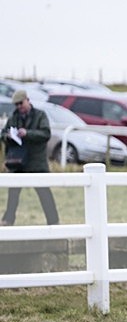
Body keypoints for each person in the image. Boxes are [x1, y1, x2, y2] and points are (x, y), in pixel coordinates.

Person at [1, 90, 59, 226]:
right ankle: (8, 220)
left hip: (36, 162)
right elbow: (3, 133)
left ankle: (53, 221)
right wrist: (8, 136)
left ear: (27, 100)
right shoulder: (13, 117)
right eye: (16, 104)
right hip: (17, 162)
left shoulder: (40, 115)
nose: (19, 107)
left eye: (20, 103)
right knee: (13, 194)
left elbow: (45, 134)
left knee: (44, 194)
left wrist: (27, 134)